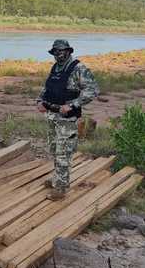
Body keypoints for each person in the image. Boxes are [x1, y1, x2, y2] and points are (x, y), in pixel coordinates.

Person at [37, 40, 99, 200]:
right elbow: (47, 88)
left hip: (67, 118)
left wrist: (73, 105)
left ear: (68, 51)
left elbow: (93, 90)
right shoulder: (55, 68)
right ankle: (58, 179)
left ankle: (61, 189)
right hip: (52, 115)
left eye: (61, 51)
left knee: (63, 152)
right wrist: (39, 101)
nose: (58, 54)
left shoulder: (79, 68)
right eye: (55, 52)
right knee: (54, 149)